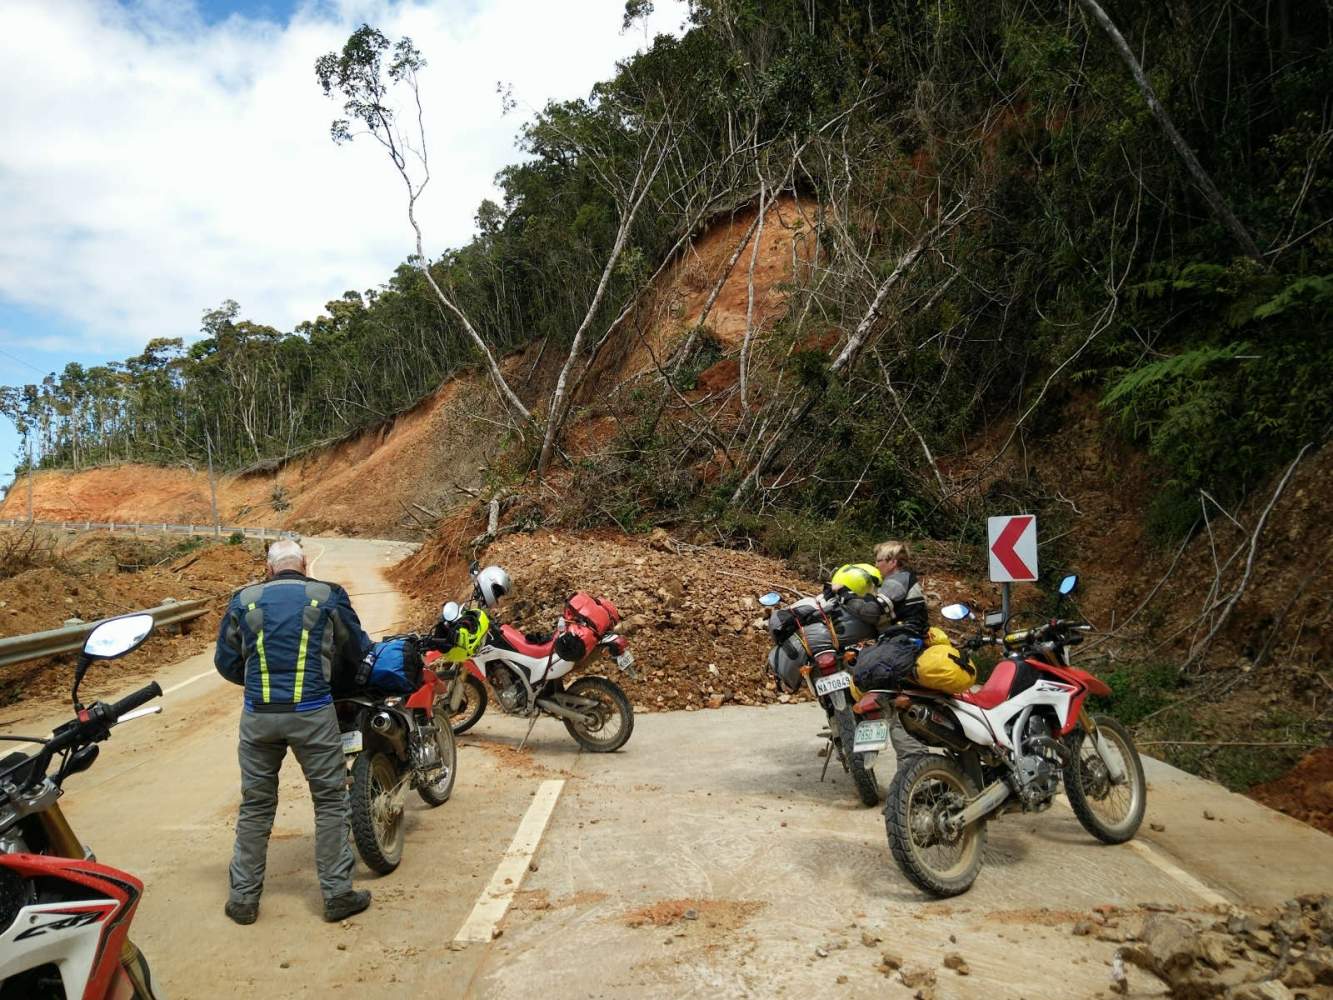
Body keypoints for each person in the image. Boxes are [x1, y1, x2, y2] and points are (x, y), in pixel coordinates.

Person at [214, 538, 374, 925]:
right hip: (313, 713)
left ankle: (243, 901)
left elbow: (226, 661)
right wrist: (330, 679)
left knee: (256, 805)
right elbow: (357, 650)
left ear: (269, 568)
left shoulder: (242, 600)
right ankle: (337, 894)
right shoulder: (327, 596)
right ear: (304, 564)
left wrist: (256, 684)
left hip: (258, 717)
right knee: (331, 801)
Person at [872, 540, 931, 763]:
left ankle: (914, 769)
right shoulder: (899, 580)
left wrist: (848, 597)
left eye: (878, 560)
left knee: (899, 708)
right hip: (902, 645)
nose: (875, 565)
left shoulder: (898, 581)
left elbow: (875, 609)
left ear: (893, 562)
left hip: (905, 648)